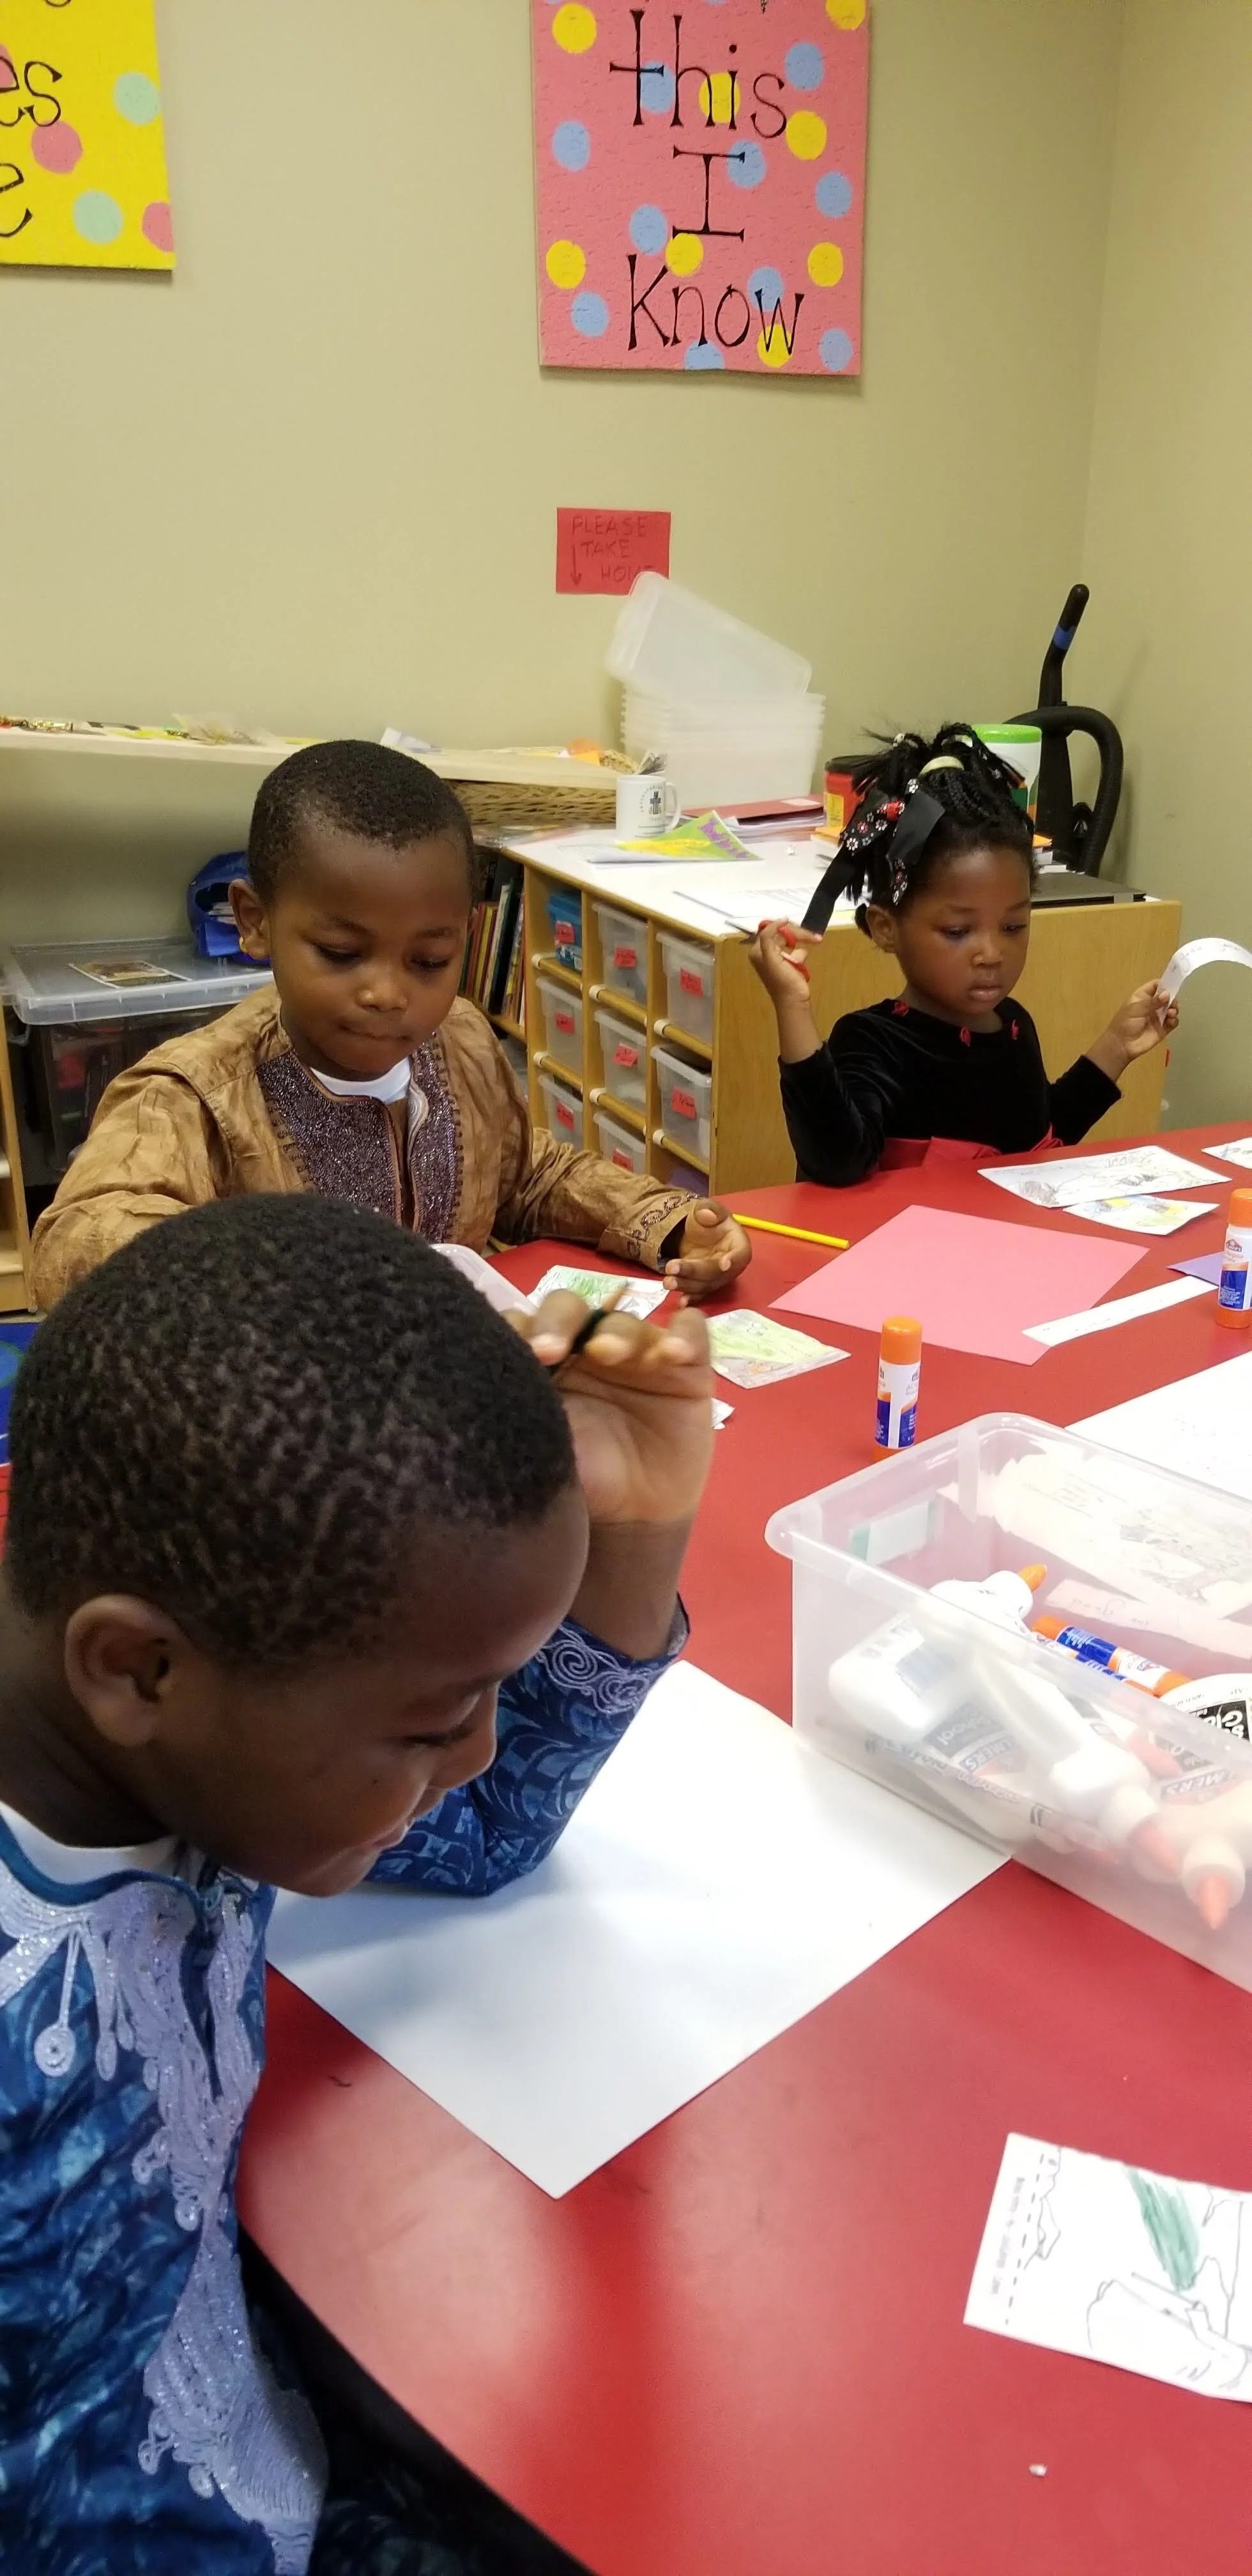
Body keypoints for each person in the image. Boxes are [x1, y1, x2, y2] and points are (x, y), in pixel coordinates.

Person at [0, 1192, 714, 2572]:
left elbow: (491, 1828)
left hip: (285, 2463)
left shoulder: (180, 1744)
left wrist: (640, 1513)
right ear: (139, 1668)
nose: (478, 1754)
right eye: (432, 1720)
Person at [29, 739, 750, 1308]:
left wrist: (666, 1220)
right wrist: (282, 1283)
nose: (387, 993)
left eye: (429, 961)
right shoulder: (191, 1096)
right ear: (255, 923)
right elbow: (76, 1244)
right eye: (342, 954)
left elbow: (523, 1175)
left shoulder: (460, 1041)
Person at [748, 726, 1178, 1187]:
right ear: (886, 928)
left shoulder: (1013, 1027)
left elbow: (1036, 1145)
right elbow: (838, 1162)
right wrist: (792, 1006)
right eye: (958, 931)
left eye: (1013, 927)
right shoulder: (874, 1042)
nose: (992, 953)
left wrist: (1115, 1048)